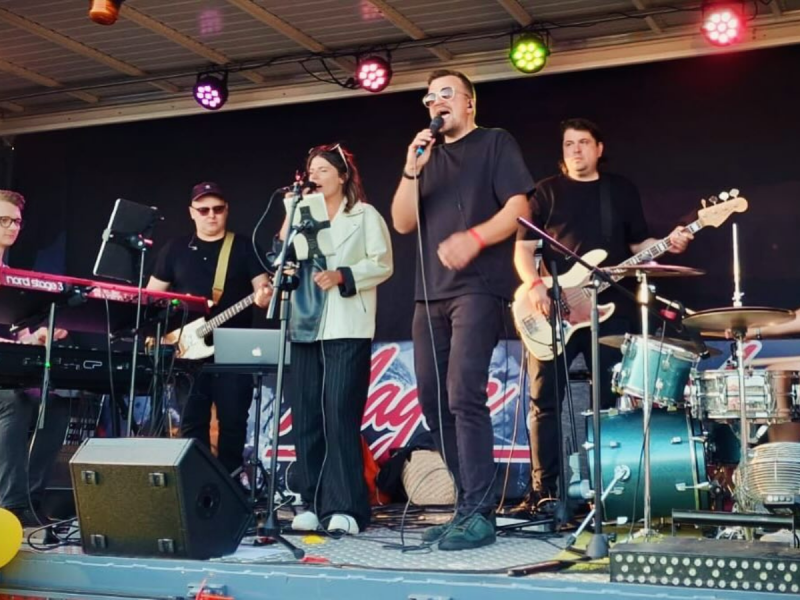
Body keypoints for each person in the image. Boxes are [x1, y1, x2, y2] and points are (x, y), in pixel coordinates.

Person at [513, 118, 693, 509]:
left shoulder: (619, 190)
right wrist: (536, 285)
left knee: (610, 403)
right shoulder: (544, 192)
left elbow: (639, 244)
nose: (575, 150)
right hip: (555, 309)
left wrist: (669, 242)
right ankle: (545, 491)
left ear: (598, 148)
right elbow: (524, 250)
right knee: (544, 402)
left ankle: (610, 491)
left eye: (583, 142)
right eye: (568, 144)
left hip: (609, 310)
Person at [391, 70, 534, 550]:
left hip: (477, 289)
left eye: (446, 94)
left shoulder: (494, 142)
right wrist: (411, 168)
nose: (437, 102)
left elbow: (519, 208)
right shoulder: (424, 157)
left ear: (469, 103)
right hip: (428, 293)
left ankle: (480, 513)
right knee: (432, 399)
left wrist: (475, 237)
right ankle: (466, 506)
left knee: (462, 394)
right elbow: (402, 221)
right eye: (430, 97)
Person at [275, 144, 392, 535]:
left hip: (347, 324)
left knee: (340, 414)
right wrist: (291, 211)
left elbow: (382, 262)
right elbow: (282, 256)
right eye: (312, 170)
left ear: (343, 176)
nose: (316, 176)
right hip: (305, 323)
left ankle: (346, 507)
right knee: (306, 414)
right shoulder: (301, 212)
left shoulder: (364, 214)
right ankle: (312, 501)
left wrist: (343, 275)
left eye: (324, 170)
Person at [147, 182, 272, 474]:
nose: (211, 215)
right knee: (192, 422)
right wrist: (162, 334)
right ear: (192, 213)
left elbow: (264, 293)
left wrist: (265, 295)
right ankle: (197, 484)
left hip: (234, 350)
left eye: (217, 209)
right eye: (203, 210)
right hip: (187, 352)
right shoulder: (175, 249)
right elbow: (151, 298)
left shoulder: (244, 246)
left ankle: (230, 484)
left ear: (227, 210)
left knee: (234, 421)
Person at [0, 189, 71, 527]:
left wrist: (37, 337)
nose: (12, 227)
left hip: (5, 369)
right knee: (13, 401)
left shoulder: (11, 275)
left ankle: (30, 498)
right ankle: (10, 504)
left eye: (16, 221)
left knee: (56, 402)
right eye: (4, 220)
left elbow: (18, 336)